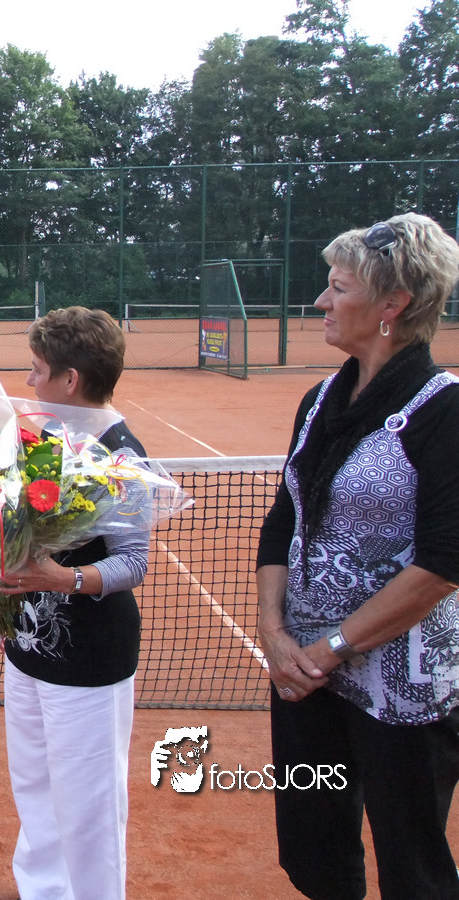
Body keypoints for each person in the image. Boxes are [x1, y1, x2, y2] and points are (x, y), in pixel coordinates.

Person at [255, 213, 459, 900]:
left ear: (393, 305)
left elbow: (442, 565)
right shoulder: (319, 400)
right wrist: (275, 633)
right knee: (315, 848)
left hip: (400, 687)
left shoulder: (445, 411)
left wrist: (332, 647)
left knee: (412, 863)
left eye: (339, 288)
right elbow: (286, 517)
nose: (321, 300)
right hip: (304, 675)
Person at [0, 306, 150, 900]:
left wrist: (65, 580)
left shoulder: (122, 455)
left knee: (89, 805)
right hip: (28, 645)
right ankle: (43, 890)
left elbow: (133, 562)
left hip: (90, 658)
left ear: (70, 379)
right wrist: (2, 605)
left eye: (36, 369)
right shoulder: (46, 438)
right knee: (34, 785)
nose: (29, 381)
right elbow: (16, 539)